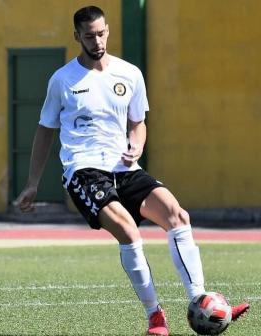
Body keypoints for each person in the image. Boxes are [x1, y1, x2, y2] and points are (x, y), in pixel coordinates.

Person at [15, 6, 249, 336]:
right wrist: (32, 183)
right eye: (88, 36)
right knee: (128, 230)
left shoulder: (129, 74)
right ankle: (155, 316)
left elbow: (137, 124)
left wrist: (137, 145)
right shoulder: (62, 80)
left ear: (108, 30)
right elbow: (44, 130)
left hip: (124, 167)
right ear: (76, 37)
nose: (96, 41)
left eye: (101, 33)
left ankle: (202, 300)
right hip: (83, 169)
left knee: (177, 215)